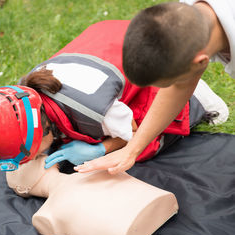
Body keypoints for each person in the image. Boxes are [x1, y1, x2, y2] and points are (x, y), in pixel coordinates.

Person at [0, 20, 228, 172]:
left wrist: (101, 149)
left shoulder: (96, 111)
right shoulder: (27, 89)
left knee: (144, 146)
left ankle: (198, 96)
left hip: (149, 50)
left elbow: (133, 136)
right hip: (105, 38)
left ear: (44, 130)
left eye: (34, 153)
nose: (37, 157)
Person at [74, 1, 233, 174]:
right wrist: (131, 150)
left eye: (170, 82)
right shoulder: (183, 19)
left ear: (200, 62)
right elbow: (179, 88)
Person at [5, 153, 178, 235]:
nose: (33, 157)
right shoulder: (45, 215)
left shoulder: (46, 215)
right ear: (20, 189)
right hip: (157, 206)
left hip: (138, 224)